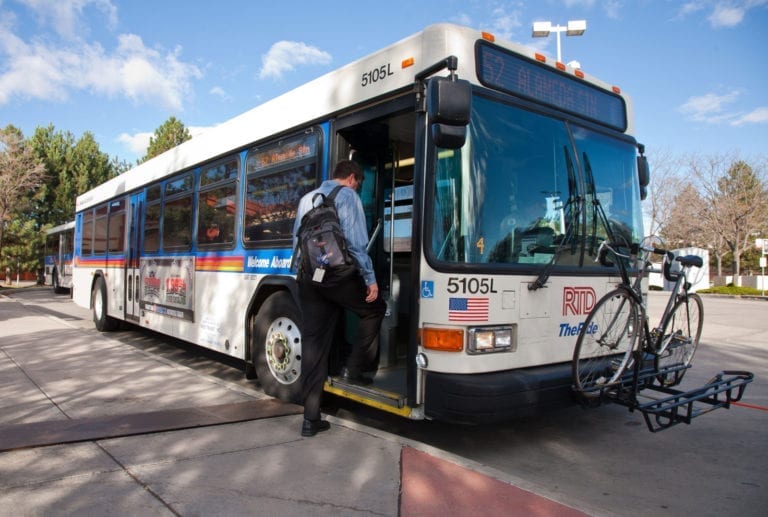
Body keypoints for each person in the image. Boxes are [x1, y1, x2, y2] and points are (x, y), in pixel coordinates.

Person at [293, 160, 386, 437]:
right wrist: (370, 279)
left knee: (313, 344)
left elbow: (296, 240)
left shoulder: (306, 199)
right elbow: (356, 244)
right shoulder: (348, 196)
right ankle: (354, 369)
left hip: (309, 277)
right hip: (337, 276)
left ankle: (310, 419)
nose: (357, 186)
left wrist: (303, 275)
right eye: (358, 182)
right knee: (374, 309)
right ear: (352, 178)